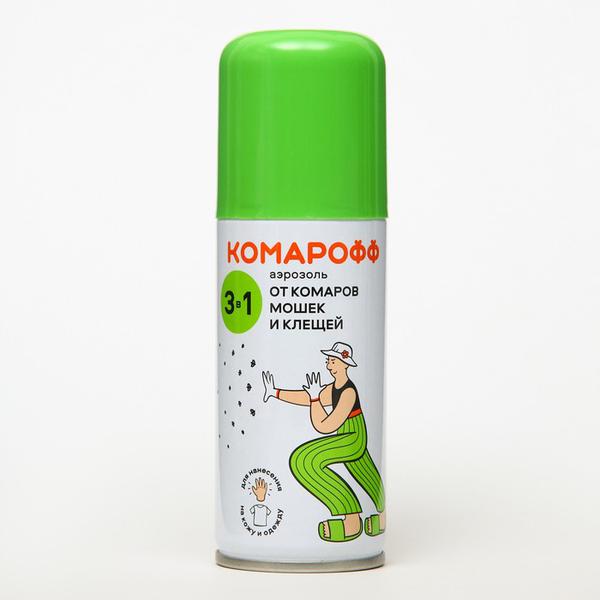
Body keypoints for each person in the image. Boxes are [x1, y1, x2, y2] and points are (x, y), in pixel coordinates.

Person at [262, 342, 385, 542]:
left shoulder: (348, 392)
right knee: (365, 471)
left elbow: (325, 426)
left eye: (333, 360)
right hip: (347, 435)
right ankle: (375, 515)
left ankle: (351, 518)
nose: (329, 365)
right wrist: (275, 392)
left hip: (353, 437)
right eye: (329, 360)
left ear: (345, 364)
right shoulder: (333, 388)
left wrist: (314, 400)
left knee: (304, 460)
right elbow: (305, 397)